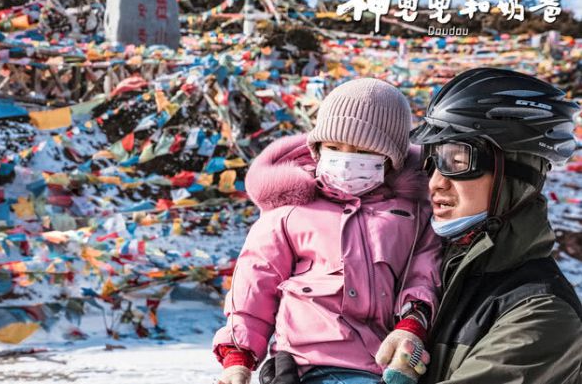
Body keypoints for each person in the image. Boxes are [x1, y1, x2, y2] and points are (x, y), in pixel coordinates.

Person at [213, 78, 442, 384]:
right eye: (334, 147)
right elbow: (255, 282)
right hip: (306, 363)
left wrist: (412, 325)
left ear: (391, 159)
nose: (346, 158)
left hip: (384, 362)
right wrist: (237, 357)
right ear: (317, 148)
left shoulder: (413, 215)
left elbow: (424, 274)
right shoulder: (290, 210)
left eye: (362, 150)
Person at [408, 67, 582, 383]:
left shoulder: (542, 316)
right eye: (432, 161)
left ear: (517, 175)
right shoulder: (438, 274)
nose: (435, 182)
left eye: (456, 161)